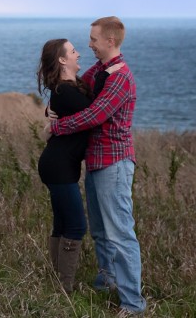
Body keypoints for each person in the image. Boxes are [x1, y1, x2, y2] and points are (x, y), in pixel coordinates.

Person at [44, 16, 147, 315]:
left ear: (110, 41)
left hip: (114, 162)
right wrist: (51, 107)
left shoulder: (120, 76)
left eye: (93, 39)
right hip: (97, 160)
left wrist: (57, 127)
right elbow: (70, 89)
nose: (89, 44)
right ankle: (107, 282)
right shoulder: (100, 71)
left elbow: (95, 115)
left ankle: (132, 304)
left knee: (120, 233)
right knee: (101, 231)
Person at [36, 39, 123, 293]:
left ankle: (57, 282)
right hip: (58, 166)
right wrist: (111, 74)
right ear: (62, 60)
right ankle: (64, 287)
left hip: (60, 164)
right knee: (76, 226)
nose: (78, 53)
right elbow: (94, 113)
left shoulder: (70, 87)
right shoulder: (65, 91)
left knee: (63, 224)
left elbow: (87, 90)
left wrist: (107, 69)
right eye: (73, 51)